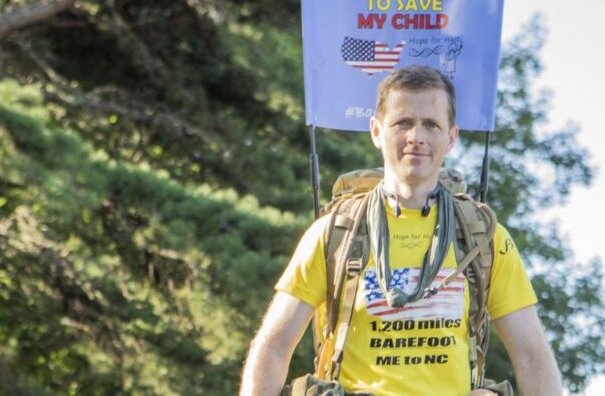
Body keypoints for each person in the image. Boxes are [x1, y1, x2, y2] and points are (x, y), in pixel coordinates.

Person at [240, 66, 562, 396]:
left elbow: (531, 354)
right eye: (403, 123)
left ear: (451, 137)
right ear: (377, 131)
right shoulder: (334, 234)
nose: (416, 137)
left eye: (431, 124)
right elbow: (274, 344)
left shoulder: (484, 238)